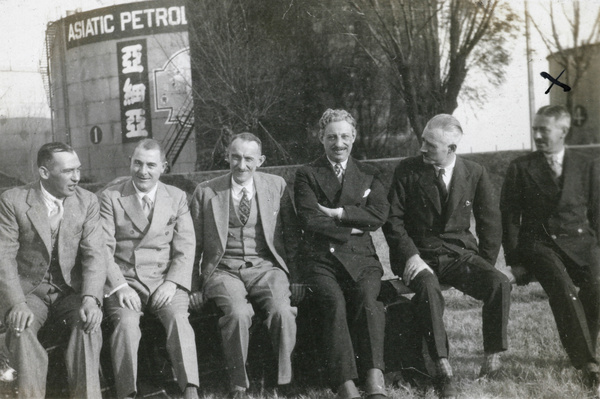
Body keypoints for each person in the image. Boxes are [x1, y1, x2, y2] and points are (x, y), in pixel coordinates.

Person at [383, 114, 511, 399]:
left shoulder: (474, 172)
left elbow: (490, 222)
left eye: (430, 144)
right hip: (420, 256)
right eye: (423, 141)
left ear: (451, 148)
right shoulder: (407, 170)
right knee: (429, 289)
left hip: (459, 255)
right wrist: (410, 256)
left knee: (499, 283)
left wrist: (485, 266)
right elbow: (393, 220)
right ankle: (442, 367)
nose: (422, 148)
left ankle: (492, 358)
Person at [189, 132, 300, 399]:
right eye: (235, 157)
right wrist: (193, 286)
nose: (241, 165)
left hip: (266, 267)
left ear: (260, 160)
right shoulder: (206, 191)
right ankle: (238, 384)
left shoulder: (277, 186)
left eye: (248, 159)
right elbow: (191, 246)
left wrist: (296, 277)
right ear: (227, 156)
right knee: (237, 314)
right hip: (224, 269)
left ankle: (286, 382)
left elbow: (293, 238)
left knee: (282, 311)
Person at [501, 105, 600, 395]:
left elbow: (596, 212)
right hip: (540, 245)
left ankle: (584, 350)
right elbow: (510, 217)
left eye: (544, 129)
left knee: (596, 287)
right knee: (563, 288)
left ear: (563, 131)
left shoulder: (587, 165)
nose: (538, 135)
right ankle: (588, 364)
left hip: (581, 242)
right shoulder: (520, 167)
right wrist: (515, 260)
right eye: (535, 129)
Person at [294, 109, 389, 399]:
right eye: (332, 137)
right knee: (333, 302)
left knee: (368, 300)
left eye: (345, 136)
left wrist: (338, 213)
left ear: (354, 137)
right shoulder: (307, 174)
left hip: (362, 260)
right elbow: (310, 219)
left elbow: (378, 215)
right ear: (320, 138)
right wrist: (354, 227)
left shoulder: (370, 173)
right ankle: (345, 382)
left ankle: (375, 377)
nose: (339, 143)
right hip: (322, 260)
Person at [0, 142, 106, 398]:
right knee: (20, 329)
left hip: (71, 293)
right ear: (44, 173)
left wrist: (91, 299)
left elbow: (95, 254)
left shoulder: (87, 201)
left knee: (89, 325)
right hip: (31, 294)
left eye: (78, 170)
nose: (77, 177)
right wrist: (16, 303)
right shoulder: (13, 201)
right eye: (68, 171)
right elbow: (4, 257)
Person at [100, 139, 199, 399]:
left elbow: (186, 246)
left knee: (179, 320)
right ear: (130, 163)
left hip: (164, 280)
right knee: (127, 326)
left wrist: (172, 282)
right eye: (138, 163)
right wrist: (119, 286)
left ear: (163, 167)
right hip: (125, 282)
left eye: (151, 165)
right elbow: (102, 249)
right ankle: (127, 392)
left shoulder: (176, 197)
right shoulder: (111, 197)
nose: (143, 171)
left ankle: (190, 389)